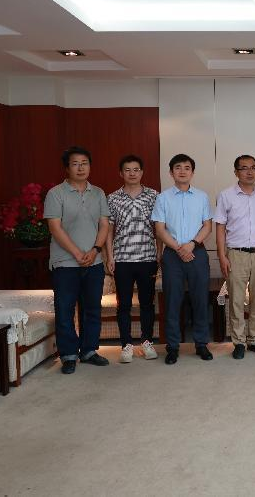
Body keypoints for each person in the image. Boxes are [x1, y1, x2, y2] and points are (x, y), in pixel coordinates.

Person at [44, 146, 110, 375]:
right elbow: (55, 228)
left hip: (94, 261)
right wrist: (76, 253)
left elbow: (104, 224)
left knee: (92, 308)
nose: (81, 168)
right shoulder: (56, 193)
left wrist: (95, 249)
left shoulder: (98, 193)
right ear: (67, 168)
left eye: (85, 163)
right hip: (65, 263)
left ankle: (89, 350)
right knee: (65, 309)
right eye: (75, 164)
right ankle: (69, 355)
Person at [152, 154, 214, 365]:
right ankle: (172, 347)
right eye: (178, 167)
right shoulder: (163, 198)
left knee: (200, 299)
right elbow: (160, 229)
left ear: (192, 172)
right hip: (172, 254)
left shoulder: (202, 197)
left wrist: (192, 244)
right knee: (172, 300)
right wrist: (179, 248)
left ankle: (201, 344)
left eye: (187, 167)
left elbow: (207, 225)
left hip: (197, 252)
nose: (182, 171)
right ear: (171, 172)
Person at [106, 154, 160, 363]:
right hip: (122, 258)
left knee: (147, 303)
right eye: (127, 170)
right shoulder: (113, 198)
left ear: (142, 172)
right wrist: (110, 256)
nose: (132, 174)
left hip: (147, 257)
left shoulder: (153, 196)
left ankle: (147, 342)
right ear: (121, 173)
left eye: (136, 170)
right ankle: (126, 345)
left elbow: (159, 227)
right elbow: (109, 230)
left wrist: (159, 253)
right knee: (124, 305)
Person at [215, 155, 255, 360]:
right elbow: (220, 227)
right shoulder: (226, 195)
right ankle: (238, 342)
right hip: (236, 254)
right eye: (244, 168)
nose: (249, 172)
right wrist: (222, 255)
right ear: (236, 172)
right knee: (236, 300)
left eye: (253, 168)